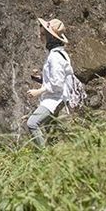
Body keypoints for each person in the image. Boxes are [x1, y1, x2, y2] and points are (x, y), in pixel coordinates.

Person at [26, 17, 72, 147]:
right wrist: (38, 78)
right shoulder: (58, 54)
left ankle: (43, 157)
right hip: (58, 97)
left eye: (42, 35)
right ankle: (58, 154)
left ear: (50, 37)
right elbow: (55, 79)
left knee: (32, 123)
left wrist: (38, 91)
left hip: (55, 99)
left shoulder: (55, 57)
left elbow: (57, 84)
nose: (40, 37)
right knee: (51, 130)